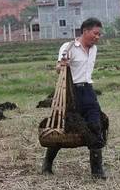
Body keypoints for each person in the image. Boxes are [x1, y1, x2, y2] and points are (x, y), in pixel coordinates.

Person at [42, 17, 106, 179]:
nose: (97, 37)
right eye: (95, 34)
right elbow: (58, 67)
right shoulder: (69, 47)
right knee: (62, 129)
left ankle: (97, 172)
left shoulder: (94, 49)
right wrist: (63, 64)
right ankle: (47, 164)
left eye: (99, 35)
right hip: (71, 93)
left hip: (89, 92)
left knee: (96, 126)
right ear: (85, 31)